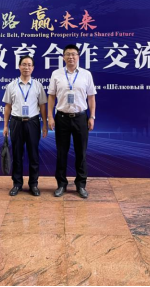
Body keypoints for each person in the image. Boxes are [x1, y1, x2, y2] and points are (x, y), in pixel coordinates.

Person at [47, 44, 97, 198]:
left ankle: (80, 185)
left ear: (78, 56)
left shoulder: (86, 74)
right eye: (68, 54)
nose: (71, 57)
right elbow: (51, 96)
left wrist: (92, 116)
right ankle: (61, 184)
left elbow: (91, 97)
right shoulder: (56, 74)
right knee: (61, 153)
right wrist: (50, 116)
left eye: (73, 54)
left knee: (81, 153)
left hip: (80, 118)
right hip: (61, 118)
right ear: (63, 57)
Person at [3, 56, 48, 196]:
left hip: (33, 122)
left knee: (33, 155)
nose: (26, 67)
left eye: (29, 65)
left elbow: (42, 106)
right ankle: (17, 184)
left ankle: (33, 184)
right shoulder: (11, 86)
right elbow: (8, 107)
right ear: (19, 67)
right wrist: (5, 126)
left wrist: (45, 125)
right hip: (16, 122)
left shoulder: (38, 85)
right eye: (24, 64)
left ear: (33, 68)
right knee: (17, 154)